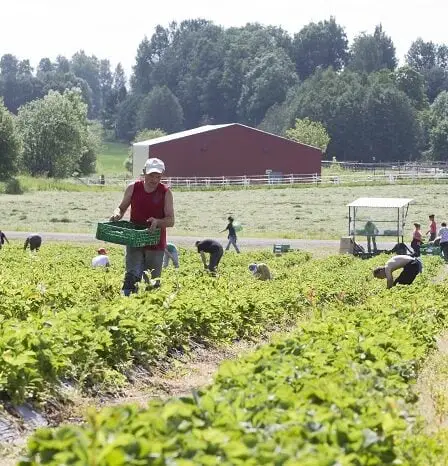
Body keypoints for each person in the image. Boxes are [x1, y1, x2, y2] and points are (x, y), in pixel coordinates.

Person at [110, 158, 175, 295]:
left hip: (155, 241)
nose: (155, 180)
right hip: (135, 239)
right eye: (151, 175)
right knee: (131, 276)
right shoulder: (133, 188)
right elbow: (121, 208)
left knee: (152, 282)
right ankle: (126, 305)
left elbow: (170, 220)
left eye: (158, 176)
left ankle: (151, 310)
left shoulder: (166, 192)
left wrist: (157, 221)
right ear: (144, 172)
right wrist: (116, 214)